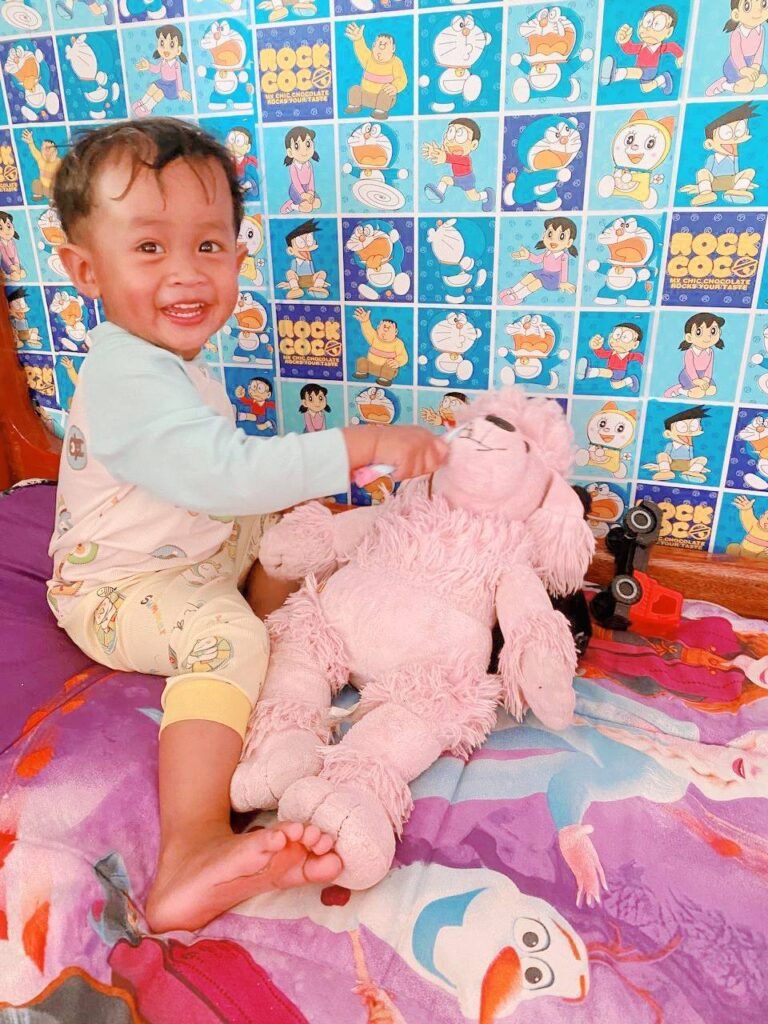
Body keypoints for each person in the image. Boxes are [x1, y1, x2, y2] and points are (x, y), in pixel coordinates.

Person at [47, 118, 446, 935]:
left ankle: (299, 615)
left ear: (237, 252)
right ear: (85, 269)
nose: (188, 273)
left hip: (188, 549)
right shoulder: (125, 373)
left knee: (297, 525)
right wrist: (361, 445)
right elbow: (225, 472)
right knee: (229, 641)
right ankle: (191, 849)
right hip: (119, 589)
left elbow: (225, 488)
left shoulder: (168, 362)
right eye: (149, 249)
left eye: (210, 245)